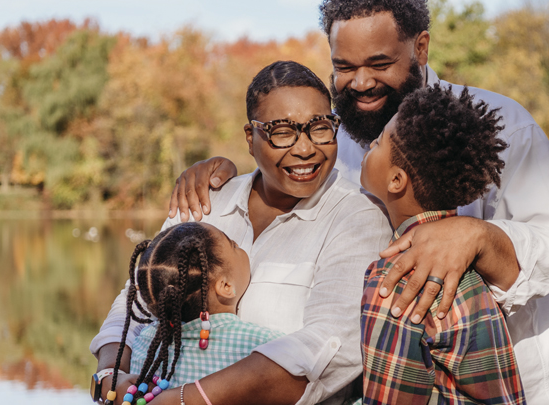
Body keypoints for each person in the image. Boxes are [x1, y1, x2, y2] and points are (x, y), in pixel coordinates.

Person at [169, 1, 549, 404]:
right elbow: (284, 165)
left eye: (379, 64)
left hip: (525, 385)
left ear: (420, 48)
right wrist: (226, 173)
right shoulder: (337, 137)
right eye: (344, 67)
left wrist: (477, 235)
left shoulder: (506, 124)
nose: (361, 83)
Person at [90, 61, 392, 405]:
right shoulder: (204, 200)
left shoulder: (358, 217)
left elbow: (329, 348)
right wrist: (110, 375)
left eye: (320, 128)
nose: (306, 148)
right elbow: (138, 297)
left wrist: (184, 400)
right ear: (251, 138)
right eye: (282, 131)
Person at [360, 84, 526, 404]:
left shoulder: (396, 277)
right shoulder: (472, 266)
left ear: (396, 180)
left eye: (378, 142)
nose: (369, 144)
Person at [95, 221, 283, 404]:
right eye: (233, 245)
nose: (240, 247)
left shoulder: (144, 342)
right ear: (225, 286)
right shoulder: (262, 344)